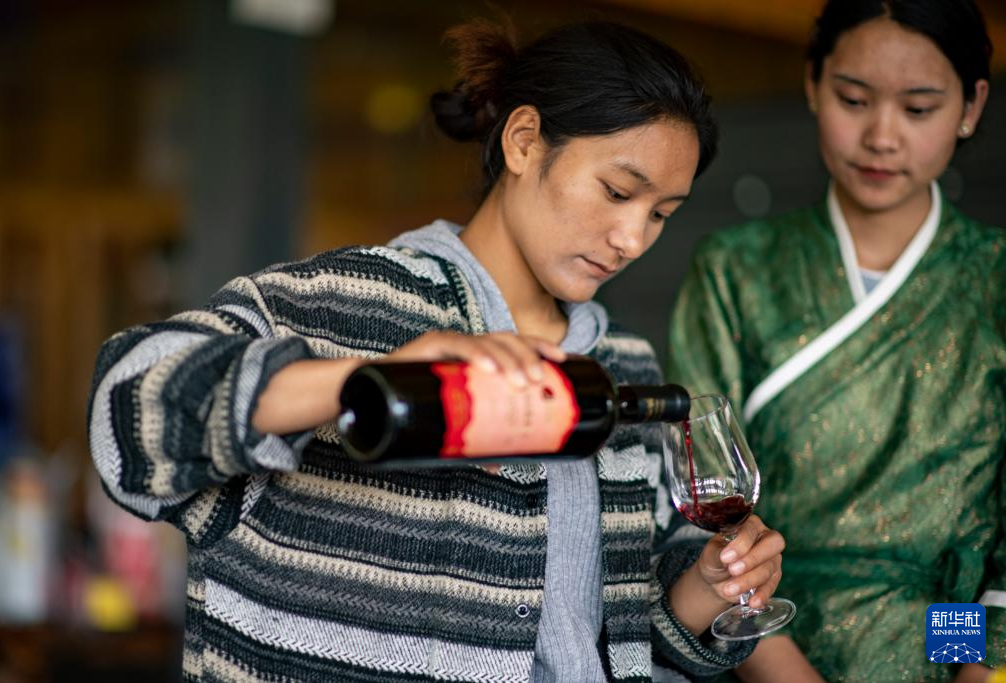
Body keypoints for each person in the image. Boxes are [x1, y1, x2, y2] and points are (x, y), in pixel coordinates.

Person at [88, 20, 787, 683]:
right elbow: (126, 418)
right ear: (523, 142)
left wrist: (701, 590)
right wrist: (368, 380)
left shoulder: (621, 362)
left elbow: (615, 638)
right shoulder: (340, 305)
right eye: (617, 191)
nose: (632, 238)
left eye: (660, 214)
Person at [666, 1, 1003, 681]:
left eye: (918, 108)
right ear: (813, 84)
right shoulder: (735, 270)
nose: (882, 137)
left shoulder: (994, 278)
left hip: (946, 624)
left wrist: (971, 669)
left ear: (971, 107)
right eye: (854, 99)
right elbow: (702, 499)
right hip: (763, 633)